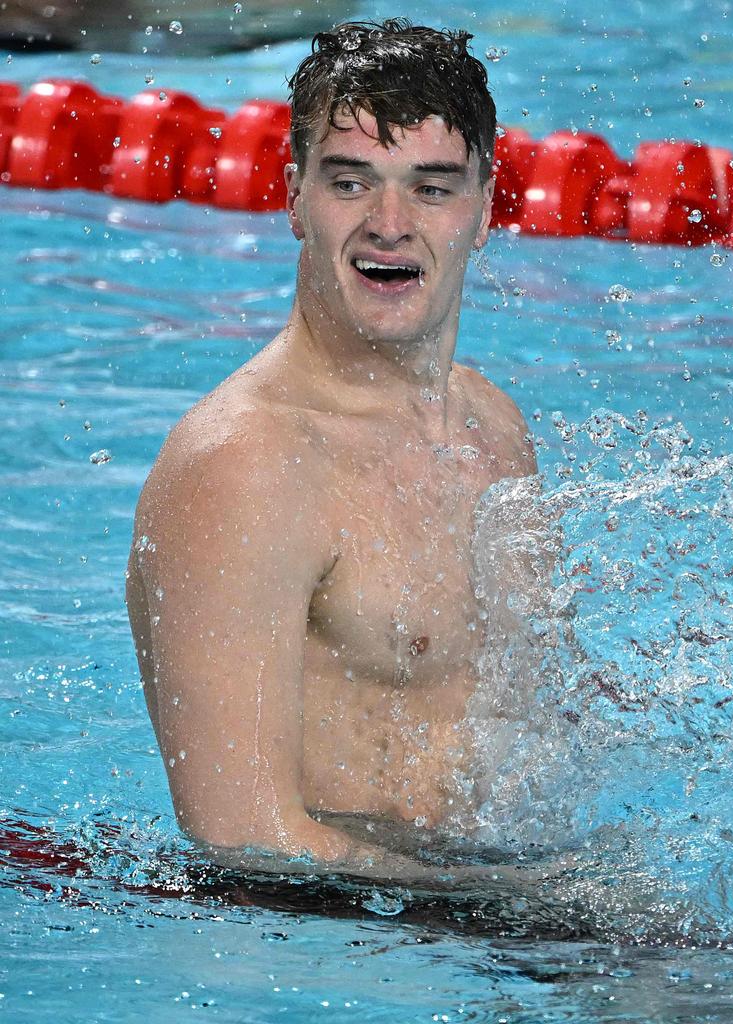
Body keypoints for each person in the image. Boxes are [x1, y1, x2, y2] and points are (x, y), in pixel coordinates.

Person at [126, 18, 537, 881]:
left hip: (461, 918)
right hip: (322, 942)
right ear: (292, 197)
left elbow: (529, 731)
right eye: (351, 182)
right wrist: (527, 908)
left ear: (487, 208)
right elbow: (244, 840)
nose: (389, 224)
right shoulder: (244, 465)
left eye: (432, 189)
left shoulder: (495, 431)